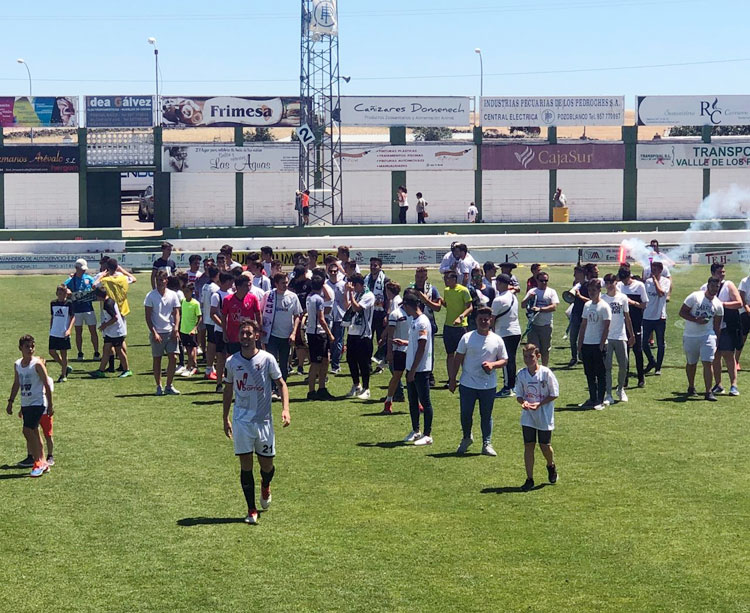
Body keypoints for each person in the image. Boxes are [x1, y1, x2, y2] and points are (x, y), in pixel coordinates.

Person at [222, 320, 291, 525]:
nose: (245, 336)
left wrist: (285, 409)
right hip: (242, 421)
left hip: (264, 422)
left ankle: (266, 484)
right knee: (245, 465)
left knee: (267, 466)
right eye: (242, 333)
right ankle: (251, 509)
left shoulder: (267, 359)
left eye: (249, 333)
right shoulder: (231, 362)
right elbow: (228, 389)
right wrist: (225, 417)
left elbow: (281, 383)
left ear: (257, 336)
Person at [449, 306, 507, 457]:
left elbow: (504, 360)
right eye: (480, 319)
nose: (483, 322)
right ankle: (467, 437)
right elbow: (457, 359)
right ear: (475, 320)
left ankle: (486, 443)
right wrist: (452, 379)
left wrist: (493, 365)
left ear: (491, 320)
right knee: (466, 414)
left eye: (486, 319)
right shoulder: (467, 338)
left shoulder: (497, 340)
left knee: (486, 415)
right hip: (468, 384)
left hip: (488, 385)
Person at [7, 335, 54, 477]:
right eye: (27, 346)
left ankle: (38, 461)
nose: (30, 349)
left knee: (27, 431)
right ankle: (43, 461)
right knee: (33, 431)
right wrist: (11, 401)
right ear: (20, 348)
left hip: (37, 403)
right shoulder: (18, 365)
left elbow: (46, 384)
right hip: (26, 403)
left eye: (32, 346)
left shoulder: (37, 364)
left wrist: (50, 405)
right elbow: (17, 383)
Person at [515, 344, 559, 492]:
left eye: (531, 356)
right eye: (525, 357)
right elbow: (519, 395)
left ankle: (550, 465)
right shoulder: (521, 374)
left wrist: (539, 404)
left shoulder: (546, 373)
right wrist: (524, 403)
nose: (528, 360)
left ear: (538, 357)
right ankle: (529, 478)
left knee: (544, 445)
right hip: (528, 416)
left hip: (544, 415)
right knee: (529, 445)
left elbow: (554, 394)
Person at [701, 263, 742, 396]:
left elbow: (738, 303)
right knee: (715, 356)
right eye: (720, 272)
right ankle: (718, 384)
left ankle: (734, 385)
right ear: (713, 273)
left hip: (726, 326)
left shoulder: (728, 285)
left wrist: (721, 304)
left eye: (723, 272)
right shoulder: (704, 287)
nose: (722, 274)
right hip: (711, 327)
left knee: (729, 355)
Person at [680, 277, 724, 401]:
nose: (715, 289)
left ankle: (708, 391)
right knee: (691, 363)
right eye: (713, 286)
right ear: (708, 285)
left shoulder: (718, 305)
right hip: (690, 335)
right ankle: (691, 386)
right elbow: (682, 312)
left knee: (707, 362)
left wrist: (717, 341)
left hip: (707, 335)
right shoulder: (695, 297)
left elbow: (717, 325)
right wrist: (695, 320)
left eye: (717, 287)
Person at [402, 289, 435, 446]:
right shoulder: (415, 321)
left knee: (425, 401)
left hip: (420, 369)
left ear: (410, 305)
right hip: (412, 367)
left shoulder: (422, 322)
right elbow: (416, 344)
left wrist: (413, 370)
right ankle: (416, 430)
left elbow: (422, 347)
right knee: (413, 401)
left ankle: (428, 434)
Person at [262, 273, 302, 398]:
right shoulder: (268, 296)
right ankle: (272, 389)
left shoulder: (293, 296)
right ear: (276, 284)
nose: (285, 285)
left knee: (284, 364)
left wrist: (294, 333)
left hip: (286, 336)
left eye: (286, 282)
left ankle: (281, 389)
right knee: (271, 363)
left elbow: (297, 315)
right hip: (272, 335)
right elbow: (260, 311)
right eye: (282, 283)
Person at [144, 270, 182, 396]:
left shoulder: (173, 295)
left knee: (173, 358)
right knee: (157, 359)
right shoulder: (151, 296)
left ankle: (169, 385)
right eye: (158, 280)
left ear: (166, 281)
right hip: (158, 332)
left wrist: (176, 328)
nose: (159, 282)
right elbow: (148, 316)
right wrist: (154, 332)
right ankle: (158, 385)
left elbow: (177, 312)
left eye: (162, 280)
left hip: (170, 331)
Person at [577, 278, 611, 409]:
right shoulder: (587, 306)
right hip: (587, 343)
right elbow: (583, 325)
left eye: (594, 290)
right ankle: (592, 398)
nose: (591, 292)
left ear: (599, 290)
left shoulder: (604, 306)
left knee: (600, 373)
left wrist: (602, 344)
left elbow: (607, 326)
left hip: (598, 344)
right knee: (589, 373)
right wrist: (580, 343)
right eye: (589, 290)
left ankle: (600, 400)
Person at [602, 274, 635, 404]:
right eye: (607, 282)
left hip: (621, 336)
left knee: (623, 364)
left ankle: (620, 389)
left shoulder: (623, 298)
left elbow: (627, 317)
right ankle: (608, 394)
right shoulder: (602, 299)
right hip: (607, 337)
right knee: (607, 366)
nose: (609, 284)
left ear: (616, 282)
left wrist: (631, 335)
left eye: (611, 282)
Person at [344, 274, 376, 400]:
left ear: (358, 284)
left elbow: (357, 308)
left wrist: (351, 293)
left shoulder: (368, 295)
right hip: (352, 332)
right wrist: (347, 293)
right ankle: (356, 385)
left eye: (352, 285)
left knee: (363, 363)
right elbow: (347, 307)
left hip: (363, 335)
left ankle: (366, 388)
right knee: (351, 361)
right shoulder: (356, 294)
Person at [617, 266, 648, 388]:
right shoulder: (619, 286)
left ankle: (641, 377)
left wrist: (632, 302)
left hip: (636, 321)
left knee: (637, 350)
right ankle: (624, 378)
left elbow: (644, 304)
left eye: (626, 279)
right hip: (622, 321)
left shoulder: (639, 286)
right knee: (625, 352)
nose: (624, 282)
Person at [305, 275, 335, 400]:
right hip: (318, 334)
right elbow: (322, 319)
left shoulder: (310, 297)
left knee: (324, 360)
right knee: (316, 363)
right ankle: (312, 391)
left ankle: (321, 388)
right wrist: (330, 333)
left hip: (312, 332)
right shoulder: (318, 300)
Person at [90, 287, 131, 378]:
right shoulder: (109, 301)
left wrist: (105, 325)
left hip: (116, 332)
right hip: (110, 332)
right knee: (106, 350)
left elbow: (115, 318)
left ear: (99, 296)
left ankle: (127, 370)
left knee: (119, 351)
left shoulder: (107, 304)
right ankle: (101, 370)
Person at [411, 267, 442, 387]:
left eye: (422, 277)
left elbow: (438, 308)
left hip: (428, 325)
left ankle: (429, 374)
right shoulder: (411, 290)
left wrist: (426, 301)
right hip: (413, 325)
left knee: (428, 351)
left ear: (426, 278)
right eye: (417, 277)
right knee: (414, 349)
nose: (419, 279)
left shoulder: (432, 290)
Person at [491, 273, 522, 397]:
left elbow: (492, 319)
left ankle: (508, 387)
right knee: (512, 359)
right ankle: (512, 385)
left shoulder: (498, 300)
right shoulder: (513, 297)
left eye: (498, 283)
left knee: (506, 360)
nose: (496, 285)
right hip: (515, 331)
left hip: (504, 332)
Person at [64, 258, 100, 362]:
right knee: (78, 332)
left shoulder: (88, 278)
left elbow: (96, 287)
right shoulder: (71, 280)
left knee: (93, 331)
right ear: (76, 268)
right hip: (77, 310)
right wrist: (68, 291)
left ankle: (96, 351)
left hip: (88, 308)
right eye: (81, 269)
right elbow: (63, 287)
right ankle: (80, 352)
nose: (83, 271)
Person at [521, 271, 559, 367]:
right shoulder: (532, 291)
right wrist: (529, 297)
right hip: (533, 325)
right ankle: (534, 368)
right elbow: (523, 305)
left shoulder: (551, 292)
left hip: (546, 325)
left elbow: (554, 307)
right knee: (533, 349)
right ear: (537, 280)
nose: (544, 283)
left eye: (546, 280)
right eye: (542, 280)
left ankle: (545, 368)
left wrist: (540, 309)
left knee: (545, 349)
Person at [440, 270, 473, 381]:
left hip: (461, 327)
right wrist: (441, 302)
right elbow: (448, 305)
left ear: (454, 279)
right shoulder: (446, 290)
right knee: (450, 354)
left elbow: (470, 307)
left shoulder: (463, 290)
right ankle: (451, 378)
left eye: (447, 279)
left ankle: (466, 377)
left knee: (463, 354)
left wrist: (461, 317)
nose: (445, 281)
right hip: (448, 326)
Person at [384, 282, 408, 414]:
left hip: (410, 350)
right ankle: (388, 400)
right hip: (399, 350)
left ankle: (418, 402)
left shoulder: (415, 315)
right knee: (396, 376)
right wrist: (389, 351)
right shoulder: (396, 314)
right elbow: (391, 334)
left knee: (413, 377)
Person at [642, 261, 671, 375]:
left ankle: (658, 367)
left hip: (660, 317)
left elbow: (661, 293)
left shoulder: (665, 281)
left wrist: (655, 281)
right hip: (647, 316)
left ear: (660, 270)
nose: (652, 272)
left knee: (660, 343)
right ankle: (651, 361)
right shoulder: (647, 283)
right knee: (644, 343)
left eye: (655, 270)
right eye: (651, 269)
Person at [364, 257, 390, 368]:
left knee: (381, 339)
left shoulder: (385, 280)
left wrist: (387, 314)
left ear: (380, 267)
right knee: (367, 339)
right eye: (371, 265)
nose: (373, 267)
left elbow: (389, 298)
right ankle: (367, 363)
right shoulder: (366, 279)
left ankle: (381, 364)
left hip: (380, 313)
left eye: (375, 265)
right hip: (369, 313)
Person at [49, 284, 74, 383]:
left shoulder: (69, 303)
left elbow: (73, 317)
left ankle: (63, 374)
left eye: (63, 293)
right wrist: (51, 327)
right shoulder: (53, 303)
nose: (61, 295)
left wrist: (69, 329)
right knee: (51, 351)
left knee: (64, 353)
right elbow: (53, 316)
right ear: (56, 294)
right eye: (59, 293)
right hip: (54, 331)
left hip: (64, 332)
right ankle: (65, 366)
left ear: (66, 294)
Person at [326, 263, 347, 374]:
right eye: (331, 271)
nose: (333, 273)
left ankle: (335, 364)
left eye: (335, 271)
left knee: (338, 341)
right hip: (328, 316)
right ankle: (329, 361)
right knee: (330, 340)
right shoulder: (325, 284)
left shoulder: (343, 285)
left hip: (340, 316)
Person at [178, 282, 202, 377]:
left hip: (191, 331)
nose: (185, 293)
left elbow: (200, 317)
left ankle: (189, 367)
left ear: (192, 292)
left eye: (187, 291)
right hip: (183, 329)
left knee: (191, 350)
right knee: (187, 350)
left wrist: (194, 328)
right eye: (184, 291)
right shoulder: (183, 301)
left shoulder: (195, 303)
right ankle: (194, 366)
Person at [201, 266, 220, 380]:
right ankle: (209, 368)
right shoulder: (215, 288)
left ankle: (211, 368)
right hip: (213, 320)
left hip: (207, 318)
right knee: (214, 345)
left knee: (211, 343)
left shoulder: (205, 286)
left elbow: (203, 302)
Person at [567, 266, 587, 367]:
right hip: (576, 313)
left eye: (576, 273)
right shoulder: (576, 285)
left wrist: (580, 297)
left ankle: (583, 356)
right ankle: (574, 357)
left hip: (585, 315)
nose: (574, 275)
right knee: (573, 337)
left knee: (583, 338)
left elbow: (591, 300)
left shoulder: (588, 285)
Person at [738, 272, 750, 369]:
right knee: (743, 336)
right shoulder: (744, 281)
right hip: (745, 312)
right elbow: (741, 297)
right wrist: (747, 309)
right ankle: (735, 361)